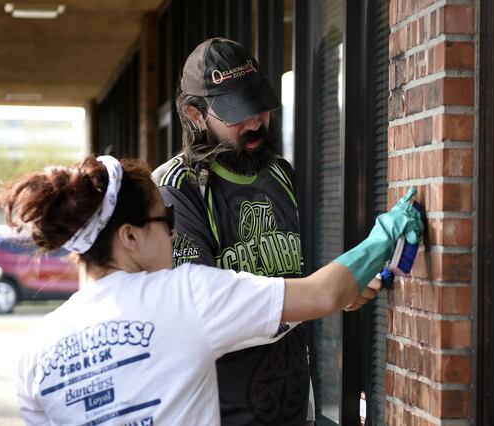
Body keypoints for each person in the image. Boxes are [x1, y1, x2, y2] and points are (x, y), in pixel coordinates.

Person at [0, 155, 423, 425]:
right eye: (167, 221)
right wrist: (385, 236)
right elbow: (322, 295)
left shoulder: (35, 353)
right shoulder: (184, 295)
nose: (175, 232)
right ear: (130, 236)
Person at [153, 37, 386, 424]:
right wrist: (318, 296)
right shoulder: (175, 188)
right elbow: (205, 314)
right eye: (236, 113)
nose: (255, 122)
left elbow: (300, 274)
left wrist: (341, 289)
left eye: (258, 107)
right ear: (196, 114)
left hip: (293, 405)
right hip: (221, 414)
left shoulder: (281, 173)